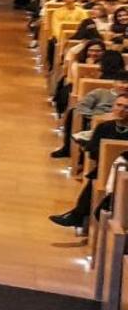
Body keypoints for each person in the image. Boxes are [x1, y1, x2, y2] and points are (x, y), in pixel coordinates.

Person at [49, 94, 128, 232]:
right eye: (119, 105)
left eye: (126, 107)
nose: (121, 110)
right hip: (104, 168)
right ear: (113, 106)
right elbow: (92, 150)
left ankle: (78, 215)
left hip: (124, 171)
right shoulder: (104, 127)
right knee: (95, 178)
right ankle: (78, 215)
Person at [51, 75, 128, 158]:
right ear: (114, 83)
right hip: (95, 122)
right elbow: (81, 107)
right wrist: (97, 117)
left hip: (123, 125)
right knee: (73, 112)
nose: (126, 86)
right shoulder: (100, 92)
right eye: (123, 82)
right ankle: (68, 149)